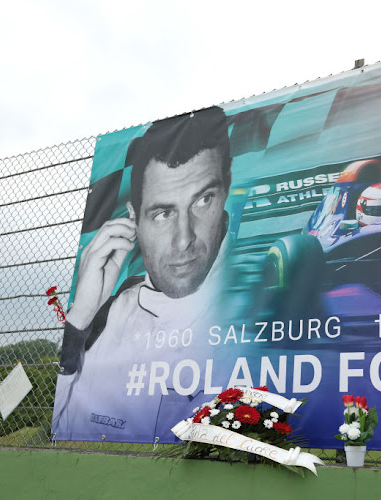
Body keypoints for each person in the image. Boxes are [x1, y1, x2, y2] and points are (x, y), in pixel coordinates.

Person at [52, 106, 233, 441]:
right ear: (134, 219)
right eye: (162, 213)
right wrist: (80, 316)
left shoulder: (261, 296)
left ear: (225, 194)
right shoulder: (114, 311)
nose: (184, 240)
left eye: (203, 200)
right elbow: (63, 432)